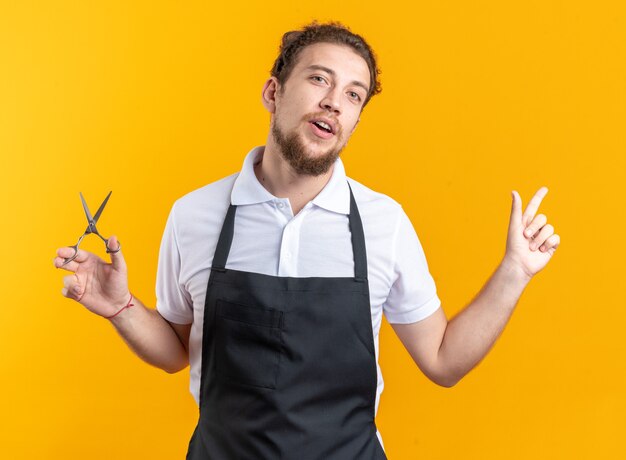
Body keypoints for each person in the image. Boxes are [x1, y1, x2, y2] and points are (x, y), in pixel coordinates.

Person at [54, 22, 560, 459]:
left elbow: (444, 362)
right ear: (273, 92)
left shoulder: (384, 223)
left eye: (353, 94)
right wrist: (121, 307)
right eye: (320, 79)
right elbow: (175, 352)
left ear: (357, 119)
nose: (333, 103)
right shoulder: (195, 216)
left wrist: (514, 271)